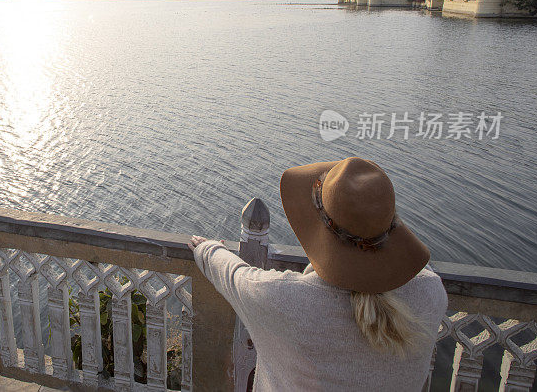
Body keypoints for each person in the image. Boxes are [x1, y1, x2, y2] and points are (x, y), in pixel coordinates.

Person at [189, 157, 447, 391]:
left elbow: (234, 275)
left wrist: (206, 248)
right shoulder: (431, 294)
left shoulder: (283, 300)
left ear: (320, 229)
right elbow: (409, 273)